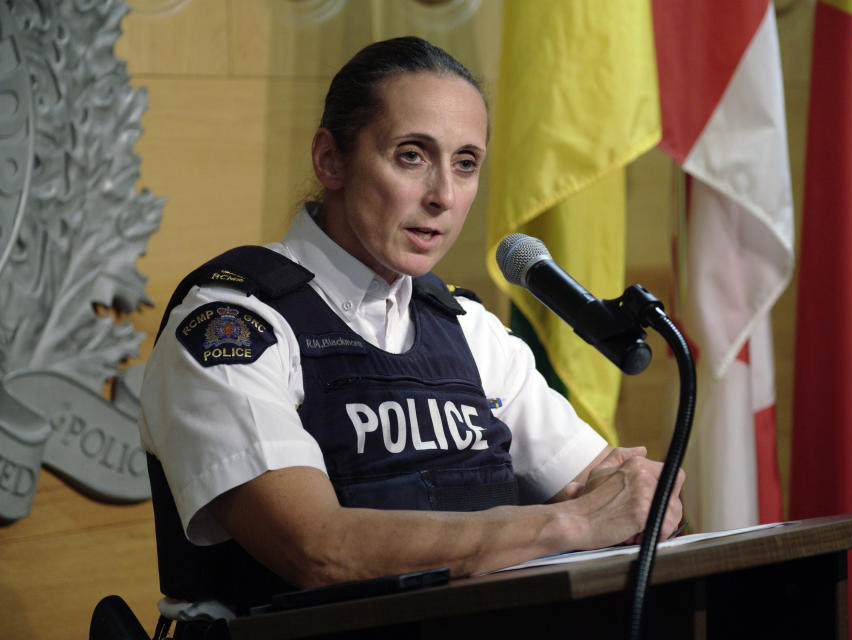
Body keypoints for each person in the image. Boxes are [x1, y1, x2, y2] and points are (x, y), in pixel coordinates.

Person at [138, 36, 684, 621]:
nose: (444, 196)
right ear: (330, 159)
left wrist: (641, 495)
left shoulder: (471, 330)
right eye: (411, 156)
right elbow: (319, 550)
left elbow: (618, 490)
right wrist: (570, 522)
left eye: (466, 163)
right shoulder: (233, 325)